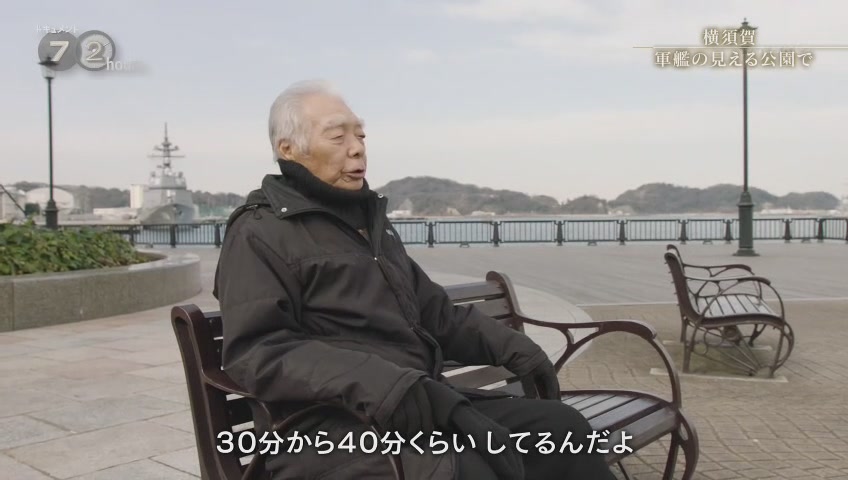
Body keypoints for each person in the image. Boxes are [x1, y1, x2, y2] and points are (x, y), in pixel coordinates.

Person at [214, 80, 617, 480]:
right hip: (326, 430)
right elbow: (258, 350)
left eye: (360, 135)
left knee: (562, 430)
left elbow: (435, 314)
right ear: (288, 149)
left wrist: (514, 346)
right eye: (337, 137)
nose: (357, 148)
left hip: (418, 408)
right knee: (474, 467)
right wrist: (384, 384)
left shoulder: (370, 226)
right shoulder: (259, 231)